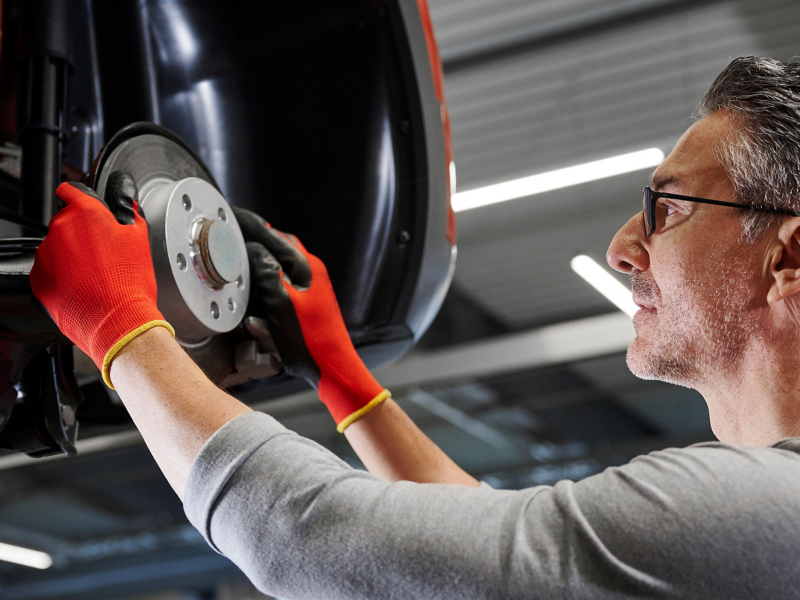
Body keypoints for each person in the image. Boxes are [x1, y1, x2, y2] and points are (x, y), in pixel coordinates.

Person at [28, 56, 800, 599]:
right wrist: (346, 382)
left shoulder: (765, 513)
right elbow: (486, 561)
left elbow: (305, 539)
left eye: (667, 207)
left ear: (787, 257)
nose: (622, 247)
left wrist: (124, 328)